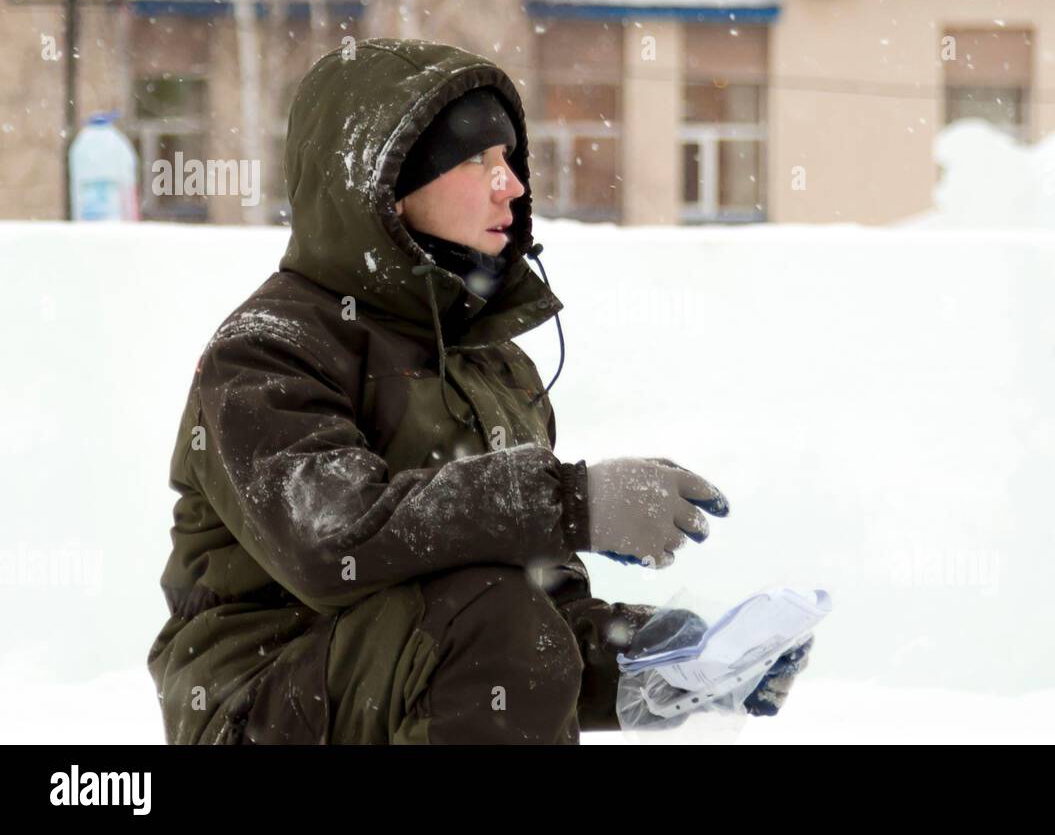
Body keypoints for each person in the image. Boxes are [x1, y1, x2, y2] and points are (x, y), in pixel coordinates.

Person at [146, 38, 809, 744]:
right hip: (257, 710)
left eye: (508, 161)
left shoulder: (495, 368)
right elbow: (331, 537)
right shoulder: (268, 348)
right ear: (387, 182)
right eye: (476, 160)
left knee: (504, 612)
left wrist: (663, 659)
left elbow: (533, 626)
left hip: (391, 686)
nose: (512, 185)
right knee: (492, 611)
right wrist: (571, 500)